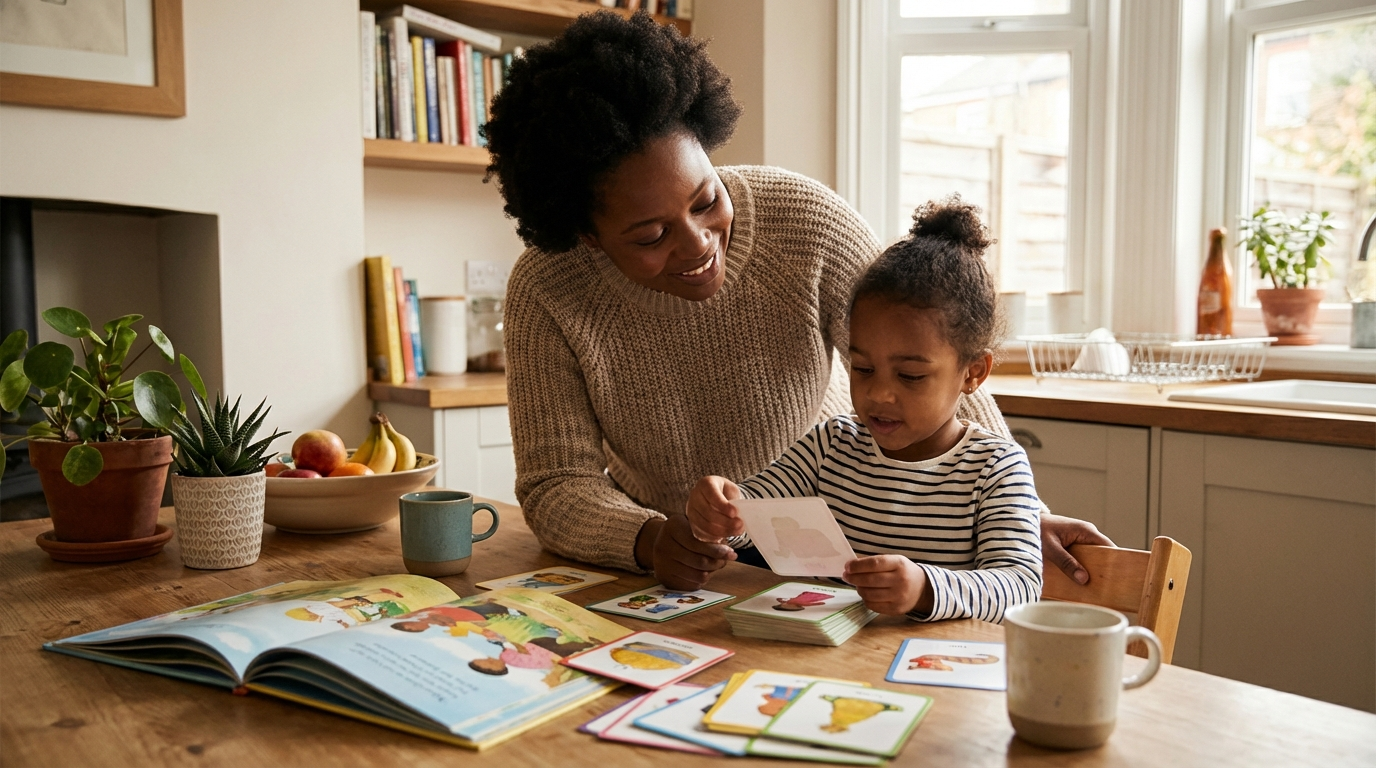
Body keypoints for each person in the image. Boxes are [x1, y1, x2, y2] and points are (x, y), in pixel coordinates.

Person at [484, 11, 1109, 591]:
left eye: (705, 200)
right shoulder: (548, 288)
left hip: (838, 555)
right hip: (689, 571)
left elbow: (940, 356)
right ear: (587, 236)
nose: (699, 243)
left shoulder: (806, 224)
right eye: (650, 235)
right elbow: (555, 484)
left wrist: (1023, 515)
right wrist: (647, 538)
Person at [687, 198, 1041, 622]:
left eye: (910, 376)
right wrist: (723, 511)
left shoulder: (996, 468)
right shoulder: (829, 446)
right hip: (836, 664)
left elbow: (1021, 587)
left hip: (942, 671)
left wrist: (925, 589)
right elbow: (755, 514)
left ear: (973, 374)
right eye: (864, 368)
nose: (880, 394)